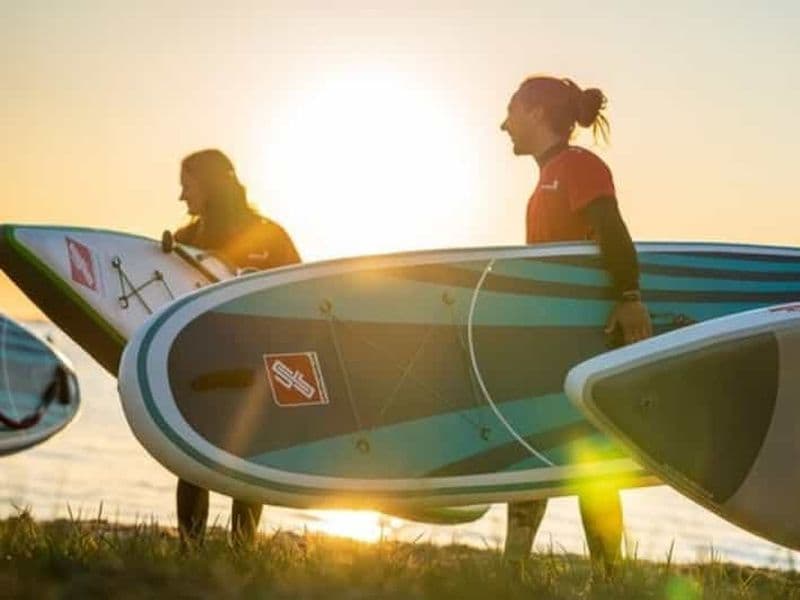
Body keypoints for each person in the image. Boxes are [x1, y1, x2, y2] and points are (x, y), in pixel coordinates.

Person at [499, 76, 652, 578]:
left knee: (592, 460)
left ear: (537, 112)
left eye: (511, 111)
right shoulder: (546, 179)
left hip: (586, 343)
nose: (504, 125)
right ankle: (513, 572)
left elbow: (611, 229)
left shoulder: (577, 166)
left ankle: (608, 576)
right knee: (533, 449)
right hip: (552, 344)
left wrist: (629, 298)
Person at [174, 148, 301, 546]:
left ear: (211, 184)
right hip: (200, 365)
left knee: (247, 458)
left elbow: (300, 297)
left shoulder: (270, 236)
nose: (181, 196)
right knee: (191, 458)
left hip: (253, 367)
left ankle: (242, 549)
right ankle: (191, 548)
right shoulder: (183, 241)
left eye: (187, 185)